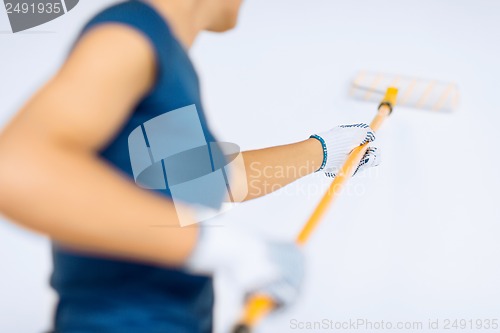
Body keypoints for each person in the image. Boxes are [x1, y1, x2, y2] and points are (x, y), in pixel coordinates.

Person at [0, 1, 380, 332]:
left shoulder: (166, 59)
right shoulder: (129, 34)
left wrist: (326, 151)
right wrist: (225, 247)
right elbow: (16, 170)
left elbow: (204, 181)